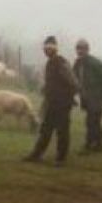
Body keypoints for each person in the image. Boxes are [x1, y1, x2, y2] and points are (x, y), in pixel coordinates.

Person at [23, 35, 79, 166]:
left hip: (62, 103)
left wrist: (67, 96)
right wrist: (45, 89)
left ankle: (61, 158)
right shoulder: (50, 63)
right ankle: (36, 154)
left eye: (49, 48)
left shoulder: (61, 62)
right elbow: (52, 82)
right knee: (46, 129)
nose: (46, 51)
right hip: (51, 102)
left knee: (62, 130)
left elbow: (74, 82)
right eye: (45, 49)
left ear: (55, 49)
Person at [73, 38, 102, 154]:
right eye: (78, 49)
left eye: (83, 49)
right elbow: (73, 79)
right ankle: (98, 146)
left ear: (88, 50)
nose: (80, 51)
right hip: (87, 99)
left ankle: (89, 145)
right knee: (94, 122)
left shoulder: (95, 63)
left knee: (91, 121)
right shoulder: (78, 64)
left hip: (98, 99)